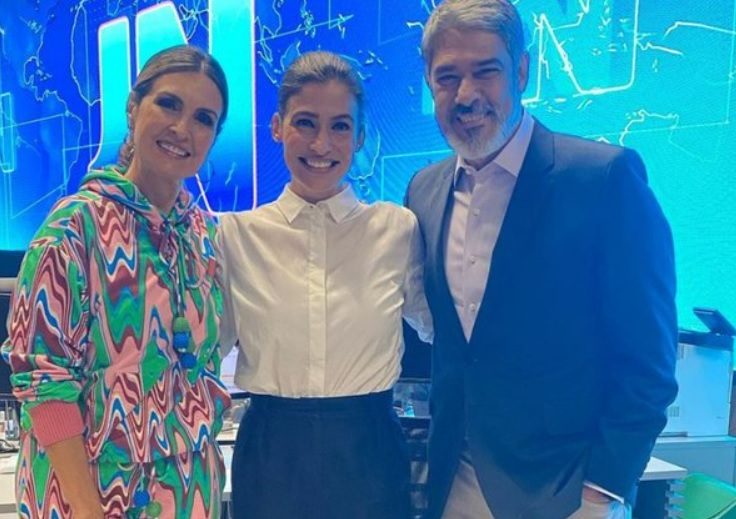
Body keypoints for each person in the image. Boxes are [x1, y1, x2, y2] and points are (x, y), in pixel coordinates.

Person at [404, 1, 679, 518]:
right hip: (452, 486)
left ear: (522, 71)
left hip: (566, 492)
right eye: (447, 77)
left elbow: (648, 363)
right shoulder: (423, 192)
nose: (466, 94)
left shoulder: (603, 179)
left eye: (486, 71)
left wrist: (603, 493)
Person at [1, 44, 231, 519]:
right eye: (169, 103)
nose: (183, 128)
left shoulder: (201, 235)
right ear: (132, 107)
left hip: (188, 494)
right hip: (87, 498)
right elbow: (44, 385)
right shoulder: (73, 230)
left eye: (204, 118)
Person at [216, 50, 433, 519]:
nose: (321, 143)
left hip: (369, 455)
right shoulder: (236, 236)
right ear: (277, 127)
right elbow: (205, 349)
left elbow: (443, 329)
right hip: (271, 459)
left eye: (339, 126)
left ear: (359, 137)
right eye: (305, 122)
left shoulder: (396, 229)